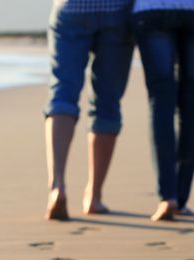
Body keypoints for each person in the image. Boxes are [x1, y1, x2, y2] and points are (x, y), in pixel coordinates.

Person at [45, 0, 135, 221]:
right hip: (117, 11)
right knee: (107, 103)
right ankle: (93, 196)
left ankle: (57, 185)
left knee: (62, 95)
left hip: (70, 8)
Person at [132, 0, 194, 221]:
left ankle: (167, 196)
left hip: (153, 9)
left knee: (160, 101)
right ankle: (180, 199)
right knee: (192, 105)